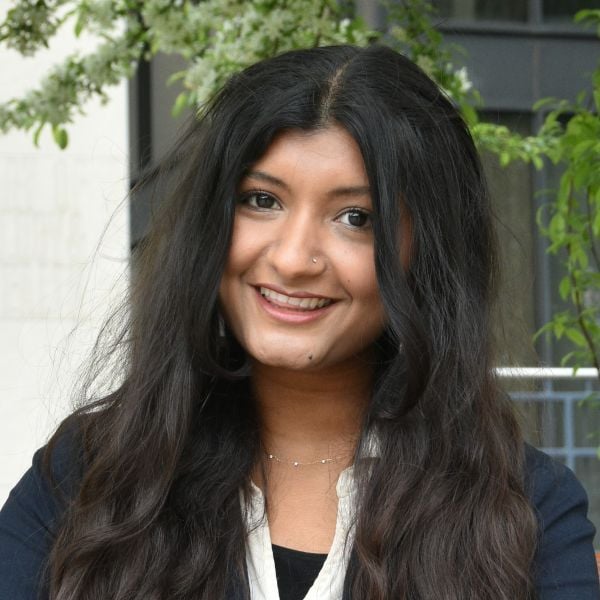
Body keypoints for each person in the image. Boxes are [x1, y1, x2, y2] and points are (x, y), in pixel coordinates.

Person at [0, 44, 598, 600]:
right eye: (262, 200)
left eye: (355, 217)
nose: (291, 258)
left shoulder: (527, 513)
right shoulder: (88, 480)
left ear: (431, 254)